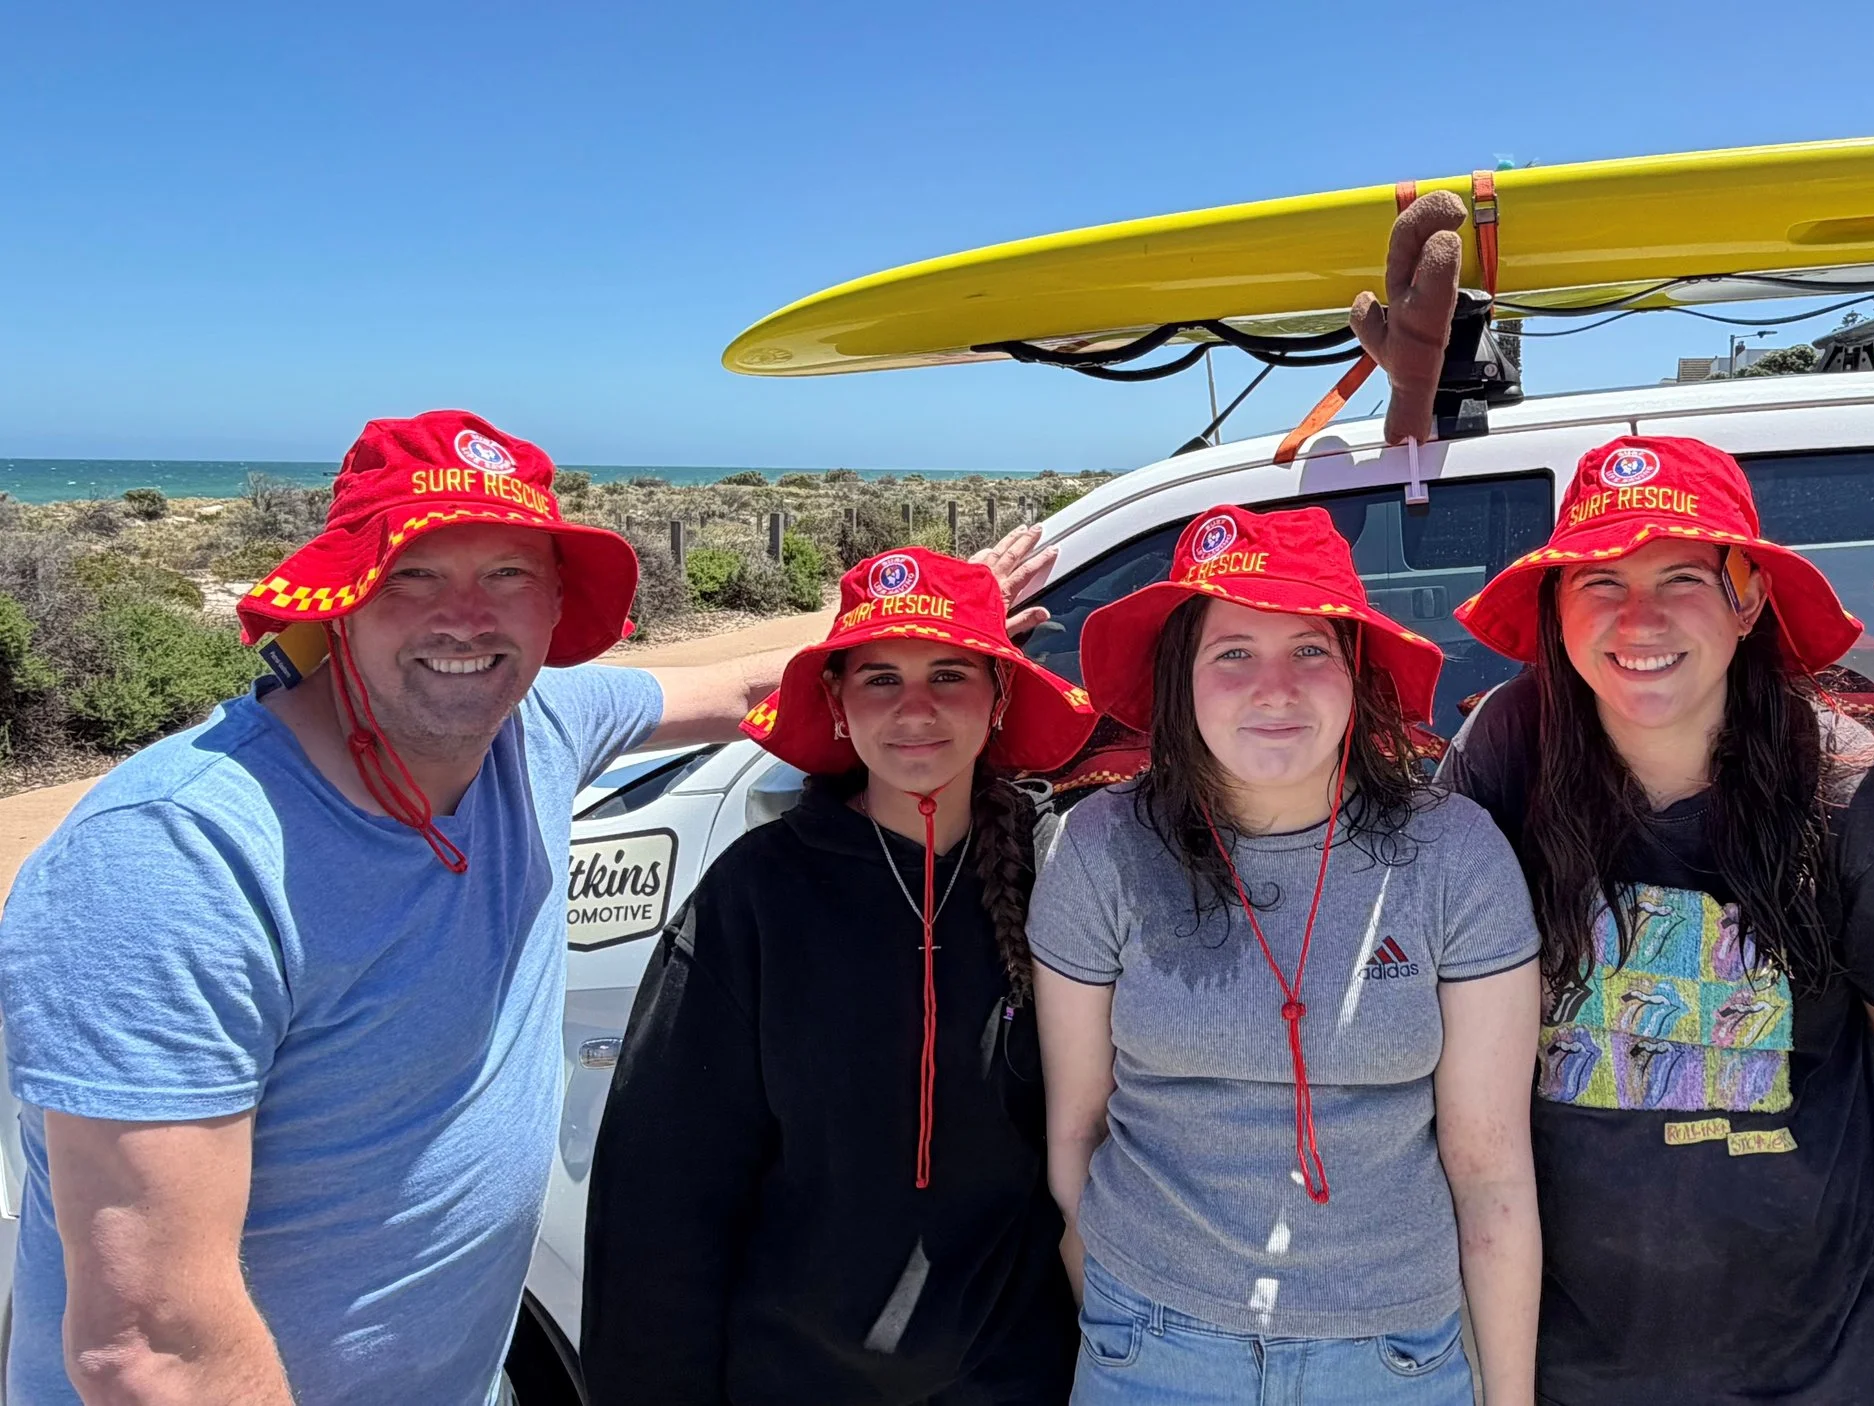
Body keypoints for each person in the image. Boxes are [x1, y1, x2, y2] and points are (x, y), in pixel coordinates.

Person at [0, 411, 1058, 1406]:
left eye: (507, 571)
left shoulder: (532, 727)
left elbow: (749, 691)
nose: (466, 617)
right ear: (340, 594)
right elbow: (148, 1344)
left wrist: (913, 623)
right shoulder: (176, 856)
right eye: (413, 572)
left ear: (556, 605)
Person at [1434, 435, 1874, 1405]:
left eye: (1680, 575)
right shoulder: (1503, 757)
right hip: (1567, 1361)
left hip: (1827, 1358)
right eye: (1599, 578)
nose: (1638, 617)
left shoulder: (1853, 792)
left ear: (1748, 594)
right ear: (1556, 606)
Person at [1028, 505, 1543, 1406]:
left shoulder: (1453, 852)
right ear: (1179, 679)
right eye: (1232, 652)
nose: (1275, 687)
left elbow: (1493, 1173)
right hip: (1149, 1344)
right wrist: (1124, 1311)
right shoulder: (1100, 845)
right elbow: (1077, 1132)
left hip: (1393, 1357)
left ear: (1357, 673)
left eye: (1309, 649)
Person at [579, 546, 1096, 1403]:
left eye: (950, 674)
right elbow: (661, 1195)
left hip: (1024, 1378)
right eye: (881, 678)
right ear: (837, 705)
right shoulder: (758, 895)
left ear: (1001, 696)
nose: (916, 710)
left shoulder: (1067, 875)